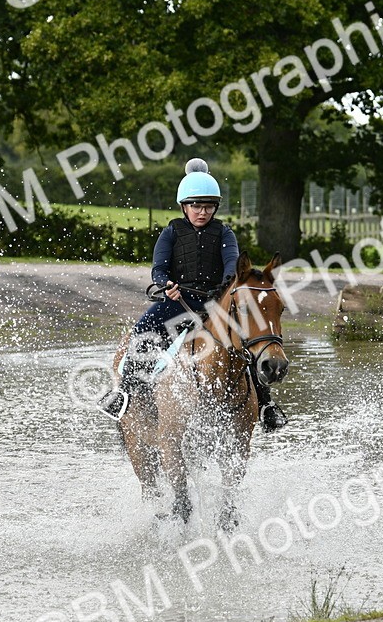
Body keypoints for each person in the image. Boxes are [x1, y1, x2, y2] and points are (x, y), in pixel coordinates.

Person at [98, 159, 288, 431]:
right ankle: (125, 392)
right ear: (184, 207)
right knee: (143, 332)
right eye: (196, 206)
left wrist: (221, 289)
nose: (202, 212)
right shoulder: (172, 232)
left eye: (208, 206)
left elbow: (231, 266)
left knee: (248, 343)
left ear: (215, 207)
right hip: (177, 302)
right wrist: (167, 285)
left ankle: (266, 404)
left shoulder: (224, 233)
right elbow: (159, 269)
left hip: (215, 303)